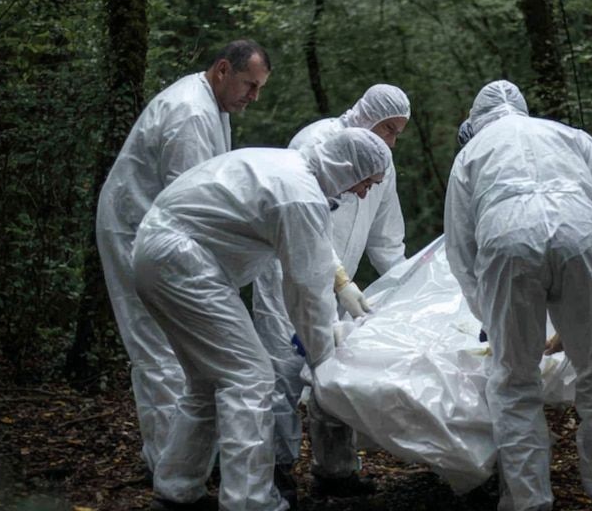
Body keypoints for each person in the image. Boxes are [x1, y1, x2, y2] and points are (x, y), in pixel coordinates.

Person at [133, 128, 392, 511]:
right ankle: (249, 500)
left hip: (157, 254)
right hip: (182, 262)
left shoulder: (291, 171)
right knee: (250, 378)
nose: (364, 193)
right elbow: (307, 290)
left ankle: (177, 492)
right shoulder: (301, 194)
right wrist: (323, 360)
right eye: (367, 182)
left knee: (206, 382)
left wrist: (342, 283)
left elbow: (315, 251)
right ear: (347, 167)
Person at [445, 80, 592, 511]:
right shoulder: (570, 136)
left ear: (476, 120)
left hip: (505, 242)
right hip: (580, 234)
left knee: (515, 380)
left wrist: (492, 318)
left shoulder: (470, 155)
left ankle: (529, 501)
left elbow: (461, 249)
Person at [95, 40, 271, 478]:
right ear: (223, 69)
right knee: (157, 347)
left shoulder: (213, 105)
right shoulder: (190, 113)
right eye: (249, 84)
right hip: (137, 229)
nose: (253, 96)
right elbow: (192, 201)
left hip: (164, 232)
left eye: (259, 87)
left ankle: (187, 461)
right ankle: (167, 465)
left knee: (182, 348)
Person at [250, 84, 410, 496]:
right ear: (368, 116)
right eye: (387, 129)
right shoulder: (317, 143)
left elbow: (386, 236)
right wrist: (339, 281)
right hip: (285, 273)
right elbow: (305, 222)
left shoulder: (381, 161)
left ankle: (336, 471)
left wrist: (406, 283)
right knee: (283, 367)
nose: (391, 141)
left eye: (397, 134)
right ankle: (275, 468)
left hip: (341, 283)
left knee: (334, 368)